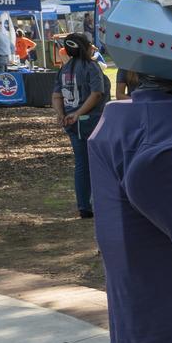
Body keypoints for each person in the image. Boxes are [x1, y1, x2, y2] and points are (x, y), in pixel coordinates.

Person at [52, 33, 109, 219]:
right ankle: (101, 202)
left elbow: (56, 96)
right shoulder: (91, 67)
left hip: (72, 123)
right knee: (100, 163)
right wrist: (79, 113)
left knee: (82, 165)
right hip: (92, 121)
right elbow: (97, 93)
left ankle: (84, 205)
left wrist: (62, 115)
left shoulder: (64, 68)